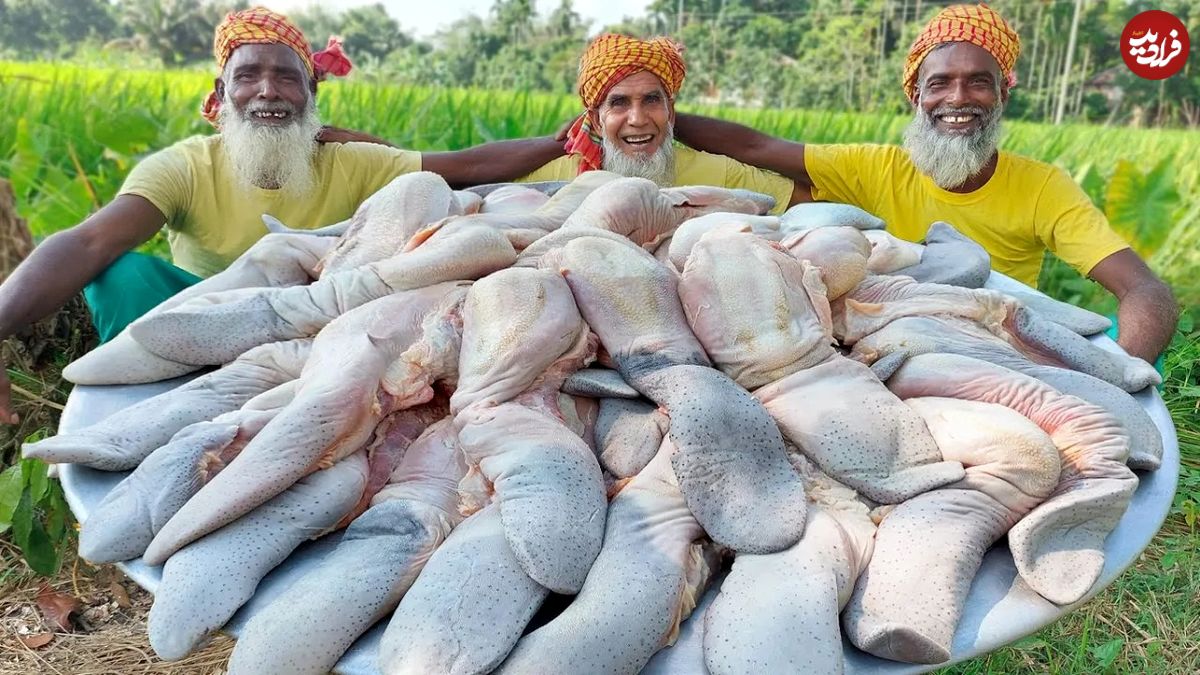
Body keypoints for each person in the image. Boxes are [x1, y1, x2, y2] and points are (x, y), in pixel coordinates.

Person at [0, 7, 562, 424]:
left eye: (286, 75)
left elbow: (467, 165)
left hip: (310, 328)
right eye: (248, 76)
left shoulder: (351, 162)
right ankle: (148, 401)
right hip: (201, 324)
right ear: (222, 93)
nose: (268, 90)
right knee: (122, 275)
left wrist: (558, 142)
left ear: (310, 91)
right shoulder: (186, 166)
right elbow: (87, 242)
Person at [673, 3, 1177, 364]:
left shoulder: (1043, 187)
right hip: (884, 338)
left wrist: (1124, 373)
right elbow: (757, 148)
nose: (959, 98)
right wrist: (652, 121)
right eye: (939, 83)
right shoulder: (874, 168)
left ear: (1003, 94)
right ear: (916, 95)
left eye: (979, 81)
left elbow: (1144, 290)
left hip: (996, 350)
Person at [520, 33, 804, 214]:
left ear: (671, 111)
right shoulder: (559, 177)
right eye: (619, 103)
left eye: (652, 101)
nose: (638, 119)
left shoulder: (719, 174)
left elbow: (815, 204)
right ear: (595, 119)